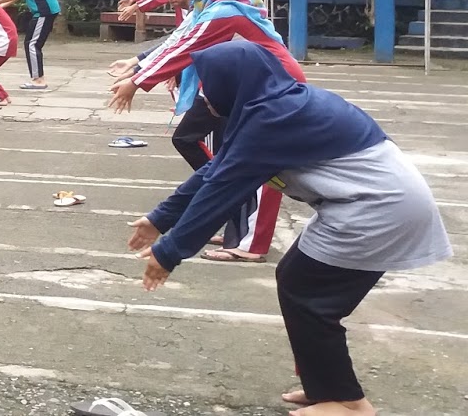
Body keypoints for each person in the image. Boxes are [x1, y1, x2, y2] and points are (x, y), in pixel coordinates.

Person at [127, 42, 451, 416]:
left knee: (310, 297)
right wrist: (160, 219)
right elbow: (218, 170)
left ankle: (349, 403)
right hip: (371, 205)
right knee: (299, 284)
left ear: (233, 83)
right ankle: (326, 389)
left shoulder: (273, 118)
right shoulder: (271, 106)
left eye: (208, 87)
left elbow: (222, 191)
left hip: (377, 210)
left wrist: (169, 252)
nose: (204, 96)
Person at [111, 0, 302, 264]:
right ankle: (235, 231)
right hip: (254, 89)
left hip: (274, 88)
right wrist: (137, 70)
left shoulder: (226, 11)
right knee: (234, 161)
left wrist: (138, 81)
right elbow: (179, 41)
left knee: (262, 165)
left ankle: (252, 243)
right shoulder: (218, 6)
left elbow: (186, 47)